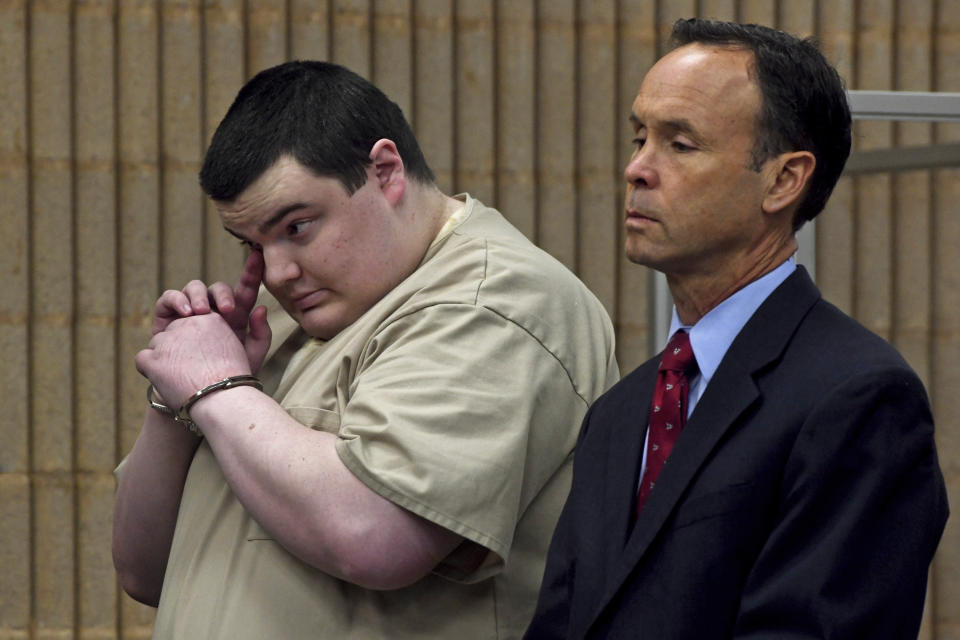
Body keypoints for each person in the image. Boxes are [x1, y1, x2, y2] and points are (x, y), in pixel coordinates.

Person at [112, 60, 619, 639]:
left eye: (296, 227)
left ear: (384, 171)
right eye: (252, 244)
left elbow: (375, 536)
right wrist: (176, 398)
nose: (277, 272)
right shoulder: (280, 322)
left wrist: (217, 390)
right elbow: (141, 569)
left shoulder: (492, 300)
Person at [525, 18, 948, 639]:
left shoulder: (859, 399)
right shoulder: (620, 412)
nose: (636, 169)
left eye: (680, 144)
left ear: (783, 180)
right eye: (639, 137)